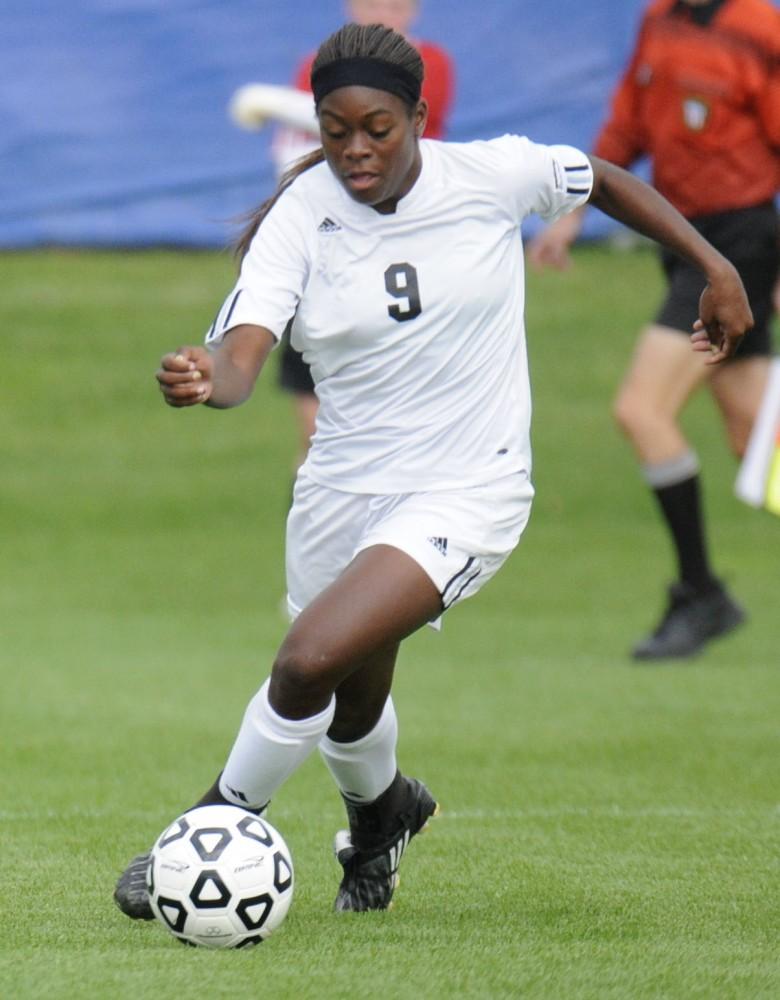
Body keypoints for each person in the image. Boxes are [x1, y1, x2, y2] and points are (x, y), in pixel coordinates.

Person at [114, 21, 751, 920]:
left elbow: (600, 177)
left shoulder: (488, 176)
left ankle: (209, 825)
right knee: (347, 695)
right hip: (341, 487)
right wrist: (203, 376)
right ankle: (383, 817)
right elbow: (243, 355)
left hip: (469, 486)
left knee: (306, 662)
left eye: (377, 128)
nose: (357, 150)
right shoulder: (303, 215)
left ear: (418, 115)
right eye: (336, 133)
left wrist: (715, 267)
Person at [527, 0, 780, 662]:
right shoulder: (660, 19)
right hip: (687, 245)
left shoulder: (761, 29)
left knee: (642, 411)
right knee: (756, 436)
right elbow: (629, 123)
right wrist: (574, 212)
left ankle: (701, 593)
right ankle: (704, 596)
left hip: (741, 246)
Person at [273, 0, 455, 467]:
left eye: (397, 5)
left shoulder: (429, 65)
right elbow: (293, 156)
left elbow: (419, 149)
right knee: (317, 429)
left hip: (400, 250)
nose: (385, 14)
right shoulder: (316, 68)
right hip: (328, 250)